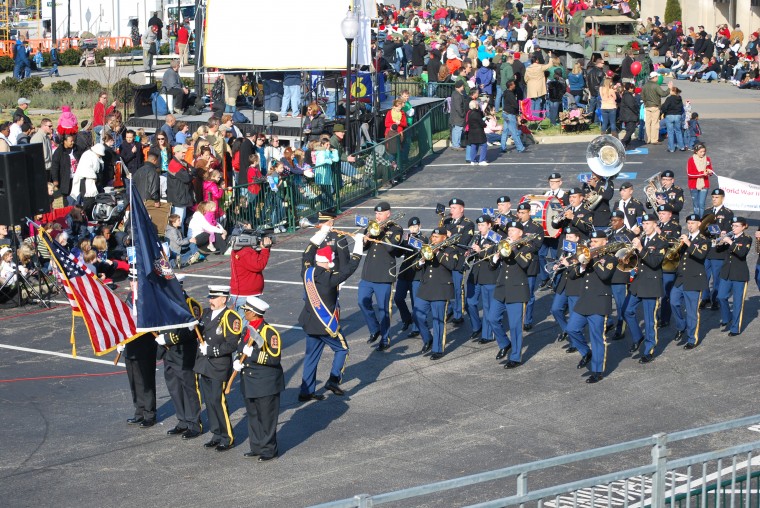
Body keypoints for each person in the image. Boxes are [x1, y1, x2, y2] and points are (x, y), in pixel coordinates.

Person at [298, 222, 363, 401]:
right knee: (342, 349)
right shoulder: (330, 278)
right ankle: (334, 380)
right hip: (326, 325)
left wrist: (322, 232)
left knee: (311, 357)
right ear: (329, 262)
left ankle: (306, 391)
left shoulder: (307, 272)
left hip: (310, 323)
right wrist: (359, 243)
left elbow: (307, 251)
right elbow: (351, 267)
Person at [232, 296, 284, 461]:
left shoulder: (269, 333)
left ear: (254, 313)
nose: (244, 312)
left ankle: (269, 450)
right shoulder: (247, 330)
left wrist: (253, 354)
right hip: (249, 381)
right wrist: (237, 361)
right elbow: (241, 349)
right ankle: (256, 446)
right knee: (253, 415)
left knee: (266, 418)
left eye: (246, 310)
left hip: (265, 383)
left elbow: (274, 359)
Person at [565, 230, 617, 384]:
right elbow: (573, 275)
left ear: (604, 241)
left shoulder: (610, 258)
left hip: (599, 302)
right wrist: (581, 264)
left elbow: (605, 275)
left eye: (595, 241)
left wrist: (592, 260)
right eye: (591, 241)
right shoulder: (586, 256)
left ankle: (597, 371)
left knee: (597, 338)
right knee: (571, 329)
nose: (592, 244)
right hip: (584, 301)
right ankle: (586, 352)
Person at [194, 285, 241, 452]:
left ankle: (227, 437)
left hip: (218, 365)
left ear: (224, 299)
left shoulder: (231, 317)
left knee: (218, 401)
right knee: (209, 401)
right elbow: (199, 331)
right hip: (204, 364)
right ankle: (216, 434)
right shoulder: (206, 313)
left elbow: (232, 344)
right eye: (210, 297)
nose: (210, 300)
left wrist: (212, 351)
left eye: (214, 298)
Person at [156, 275, 202, 439]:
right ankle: (182, 420)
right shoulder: (165, 303)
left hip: (184, 353)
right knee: (174, 388)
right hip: (168, 353)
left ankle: (194, 424)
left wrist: (168, 339)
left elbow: (192, 331)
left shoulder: (190, 305)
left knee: (189, 389)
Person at [359, 201, 403, 351]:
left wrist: (381, 232)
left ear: (388, 214)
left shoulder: (396, 229)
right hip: (368, 273)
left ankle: (385, 339)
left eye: (380, 213)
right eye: (376, 213)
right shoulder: (372, 226)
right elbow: (364, 247)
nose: (377, 216)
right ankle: (374, 329)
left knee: (384, 309)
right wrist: (366, 237)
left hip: (384, 275)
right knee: (362, 302)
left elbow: (391, 248)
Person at [487, 221, 531, 368]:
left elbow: (525, 264)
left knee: (515, 326)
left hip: (517, 290)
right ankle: (505, 343)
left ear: (521, 233)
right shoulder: (503, 244)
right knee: (492, 318)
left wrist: (513, 249)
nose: (510, 233)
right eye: (509, 230)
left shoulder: (527, 247)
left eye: (513, 230)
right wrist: (496, 257)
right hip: (501, 289)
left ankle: (516, 357)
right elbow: (492, 267)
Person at [625, 213, 667, 363]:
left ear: (655, 225)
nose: (645, 226)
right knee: (627, 311)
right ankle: (638, 337)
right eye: (644, 224)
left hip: (651, 283)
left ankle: (649, 349)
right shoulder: (642, 238)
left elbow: (655, 262)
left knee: (650, 320)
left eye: (648, 223)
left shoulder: (661, 241)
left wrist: (641, 248)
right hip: (638, 282)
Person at [117, 272, 157, 427]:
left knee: (146, 381)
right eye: (131, 280)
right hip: (130, 346)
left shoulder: (147, 298)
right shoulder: (129, 297)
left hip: (145, 345)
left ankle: (149, 414)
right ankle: (139, 411)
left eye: (135, 280)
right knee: (134, 381)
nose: (131, 283)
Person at [414, 226, 459, 359]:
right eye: (433, 236)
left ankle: (438, 349)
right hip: (426, 288)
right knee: (417, 315)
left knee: (438, 320)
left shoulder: (451, 250)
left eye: (436, 237)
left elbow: (452, 265)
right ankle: (428, 338)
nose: (433, 239)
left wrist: (438, 252)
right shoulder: (427, 248)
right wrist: (421, 261)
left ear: (444, 238)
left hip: (441, 289)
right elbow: (416, 267)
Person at [670, 214, 709, 349]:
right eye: (688, 223)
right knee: (673, 302)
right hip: (681, 278)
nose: (690, 225)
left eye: (693, 223)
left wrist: (688, 243)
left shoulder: (704, 240)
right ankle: (681, 326)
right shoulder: (684, 238)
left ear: (699, 224)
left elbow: (701, 255)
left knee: (692, 312)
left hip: (694, 279)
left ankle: (692, 338)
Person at [716, 217, 753, 336]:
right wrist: (721, 241)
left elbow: (742, 253)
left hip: (739, 274)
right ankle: (727, 318)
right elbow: (718, 250)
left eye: (737, 226)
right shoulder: (730, 236)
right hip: (726, 272)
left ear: (743, 227)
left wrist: (730, 242)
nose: (734, 228)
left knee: (737, 302)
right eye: (733, 226)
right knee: (721, 297)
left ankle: (735, 328)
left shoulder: (747, 238)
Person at [466, 215, 499, 343]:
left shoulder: (495, 238)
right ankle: (477, 327)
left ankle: (487, 334)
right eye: (479, 225)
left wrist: (479, 251)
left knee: (487, 306)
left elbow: (494, 259)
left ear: (489, 225)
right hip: (475, 275)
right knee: (470, 302)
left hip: (489, 275)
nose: (480, 228)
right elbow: (472, 255)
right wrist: (469, 254)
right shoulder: (477, 237)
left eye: (483, 225)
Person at [444, 198, 475, 326]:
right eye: (451, 208)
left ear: (461, 209)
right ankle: (450, 309)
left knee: (457, 287)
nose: (451, 210)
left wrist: (449, 236)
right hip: (446, 258)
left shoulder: (468, 224)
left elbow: (464, 241)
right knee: (447, 285)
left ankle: (459, 313)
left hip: (458, 259)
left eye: (454, 208)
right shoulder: (447, 222)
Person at [701, 189, 734, 310]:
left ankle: (715, 299)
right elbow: (702, 228)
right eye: (713, 197)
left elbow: (727, 230)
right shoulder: (707, 211)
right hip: (707, 248)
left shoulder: (727, 213)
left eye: (717, 197)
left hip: (718, 250)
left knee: (716, 276)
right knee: (704, 275)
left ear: (722, 198)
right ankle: (705, 298)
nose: (714, 199)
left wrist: (722, 233)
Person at [394, 217, 425, 335]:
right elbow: (398, 253)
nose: (413, 228)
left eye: (415, 226)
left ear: (420, 226)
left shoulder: (423, 238)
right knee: (398, 298)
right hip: (404, 273)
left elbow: (419, 250)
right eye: (411, 227)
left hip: (416, 273)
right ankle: (407, 319)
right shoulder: (407, 239)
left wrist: (410, 242)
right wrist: (403, 241)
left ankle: (416, 328)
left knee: (415, 302)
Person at [229, 230, 272, 311]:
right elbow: (258, 265)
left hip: (247, 294)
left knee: (249, 321)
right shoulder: (245, 252)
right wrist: (265, 250)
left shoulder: (243, 250)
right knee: (246, 322)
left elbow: (256, 258)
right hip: (245, 296)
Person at [656, 204, 682, 329]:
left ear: (670, 215)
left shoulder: (675, 226)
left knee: (666, 293)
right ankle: (656, 316)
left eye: (664, 214)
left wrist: (660, 233)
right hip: (656, 263)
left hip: (669, 264)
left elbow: (673, 241)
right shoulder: (657, 225)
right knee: (656, 291)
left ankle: (665, 318)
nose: (661, 216)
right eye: (660, 214)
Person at [642, 71, 673, 144]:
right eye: (657, 77)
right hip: (655, 106)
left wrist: (645, 103)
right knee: (655, 123)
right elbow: (663, 94)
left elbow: (642, 96)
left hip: (647, 106)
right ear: (655, 77)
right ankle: (654, 139)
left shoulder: (645, 85)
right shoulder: (656, 86)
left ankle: (647, 139)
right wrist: (669, 88)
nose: (658, 78)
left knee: (647, 123)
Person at [686, 143, 713, 218]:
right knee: (696, 205)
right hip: (693, 185)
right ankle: (696, 220)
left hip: (704, 184)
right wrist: (702, 174)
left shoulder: (707, 159)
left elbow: (710, 169)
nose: (703, 153)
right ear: (696, 151)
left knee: (702, 204)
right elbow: (690, 174)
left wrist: (710, 172)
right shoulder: (691, 160)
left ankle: (702, 220)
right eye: (701, 152)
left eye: (704, 151)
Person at [500, 80, 526, 153]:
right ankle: (520, 148)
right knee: (514, 131)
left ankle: (502, 147)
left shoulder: (505, 92)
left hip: (505, 112)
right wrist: (517, 114)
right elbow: (515, 105)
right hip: (510, 114)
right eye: (514, 84)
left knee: (505, 131)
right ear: (510, 86)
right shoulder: (510, 94)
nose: (515, 85)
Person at [51, 134, 76, 205]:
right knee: (67, 198)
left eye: (73, 141)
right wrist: (55, 179)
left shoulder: (76, 149)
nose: (73, 142)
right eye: (71, 141)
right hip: (65, 179)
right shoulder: (59, 152)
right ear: (65, 141)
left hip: (76, 178)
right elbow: (55, 166)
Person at [661, 86, 685, 152]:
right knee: (678, 131)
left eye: (670, 90)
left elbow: (665, 107)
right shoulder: (679, 98)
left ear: (673, 91)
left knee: (670, 132)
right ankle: (682, 146)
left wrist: (663, 112)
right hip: (677, 115)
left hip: (669, 115)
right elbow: (681, 107)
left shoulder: (669, 98)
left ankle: (671, 148)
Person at [465, 99, 488, 165]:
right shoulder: (477, 114)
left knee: (474, 145)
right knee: (484, 145)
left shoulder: (469, 113)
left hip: (471, 131)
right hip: (479, 131)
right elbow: (481, 122)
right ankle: (482, 160)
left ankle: (473, 160)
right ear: (476, 105)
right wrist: (484, 123)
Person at [449, 80, 467, 151]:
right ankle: (456, 145)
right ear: (460, 86)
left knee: (456, 130)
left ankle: (455, 144)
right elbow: (458, 107)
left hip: (455, 116)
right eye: (463, 85)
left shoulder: (455, 93)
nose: (463, 87)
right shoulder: (457, 95)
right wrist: (463, 114)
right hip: (458, 116)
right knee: (457, 130)